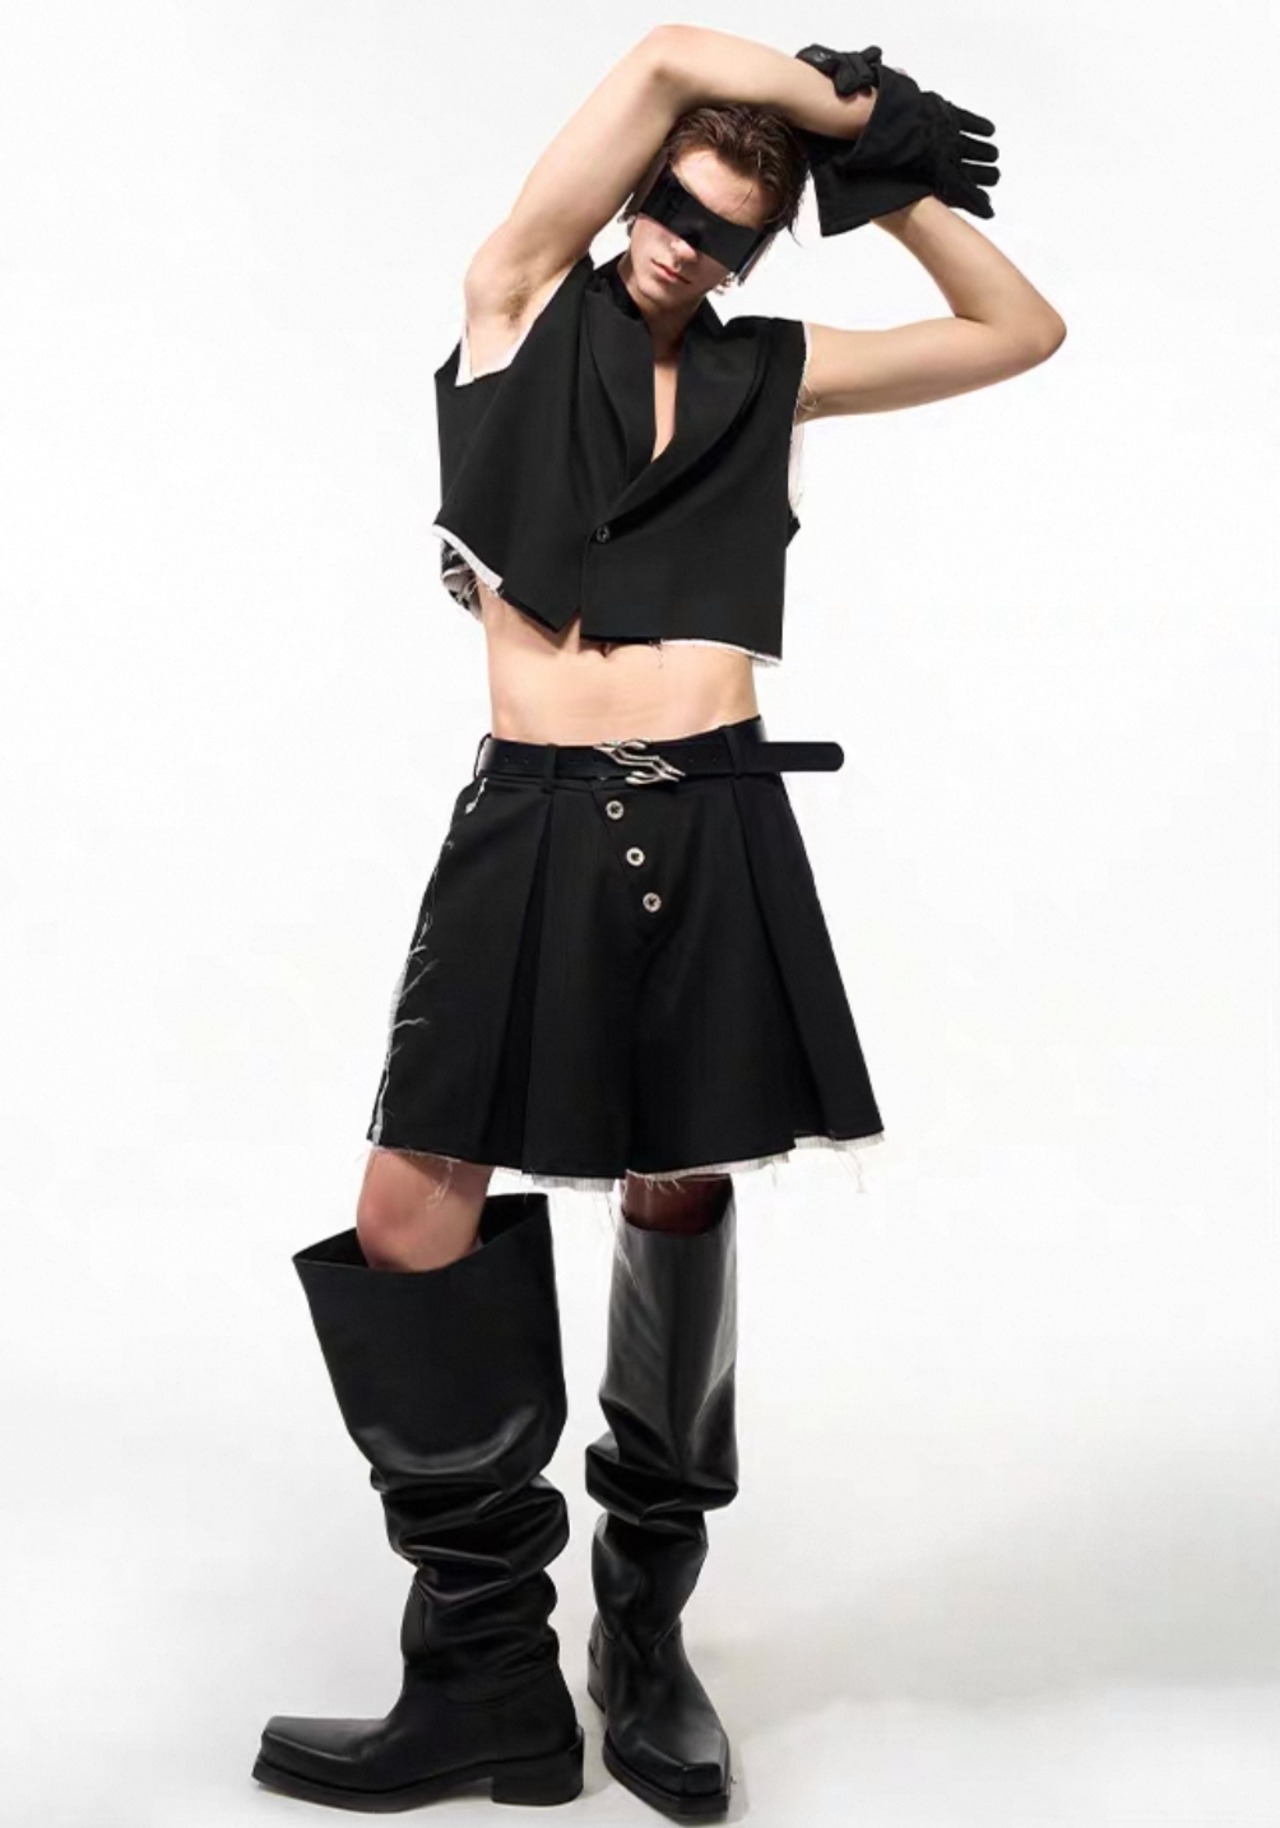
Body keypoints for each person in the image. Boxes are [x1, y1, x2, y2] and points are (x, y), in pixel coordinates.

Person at [251, 22, 1065, 1819]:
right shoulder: (516, 312)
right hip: (532, 820)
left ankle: (644, 1637)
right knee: (409, 1212)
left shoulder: (776, 373)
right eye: (673, 209)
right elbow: (668, 52)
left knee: (677, 1196)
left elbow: (1021, 332)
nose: (686, 248)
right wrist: (835, 97)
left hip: (713, 818)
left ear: (763, 248)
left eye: (726, 232)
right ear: (637, 195)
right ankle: (484, 1674)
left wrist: (888, 179)